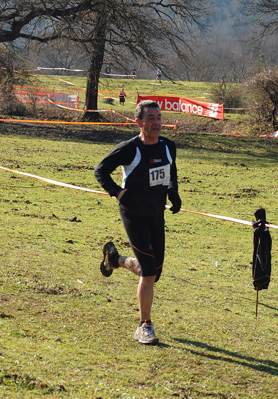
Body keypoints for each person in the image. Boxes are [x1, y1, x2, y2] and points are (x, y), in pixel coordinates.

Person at [94, 100, 182, 345]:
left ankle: (115, 260)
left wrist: (173, 194)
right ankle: (145, 325)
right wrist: (117, 192)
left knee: (155, 271)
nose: (156, 123)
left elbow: (170, 173)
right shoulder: (130, 148)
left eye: (158, 117)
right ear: (139, 122)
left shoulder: (168, 146)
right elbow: (101, 170)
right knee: (149, 271)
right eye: (151, 118)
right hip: (134, 214)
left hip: (156, 213)